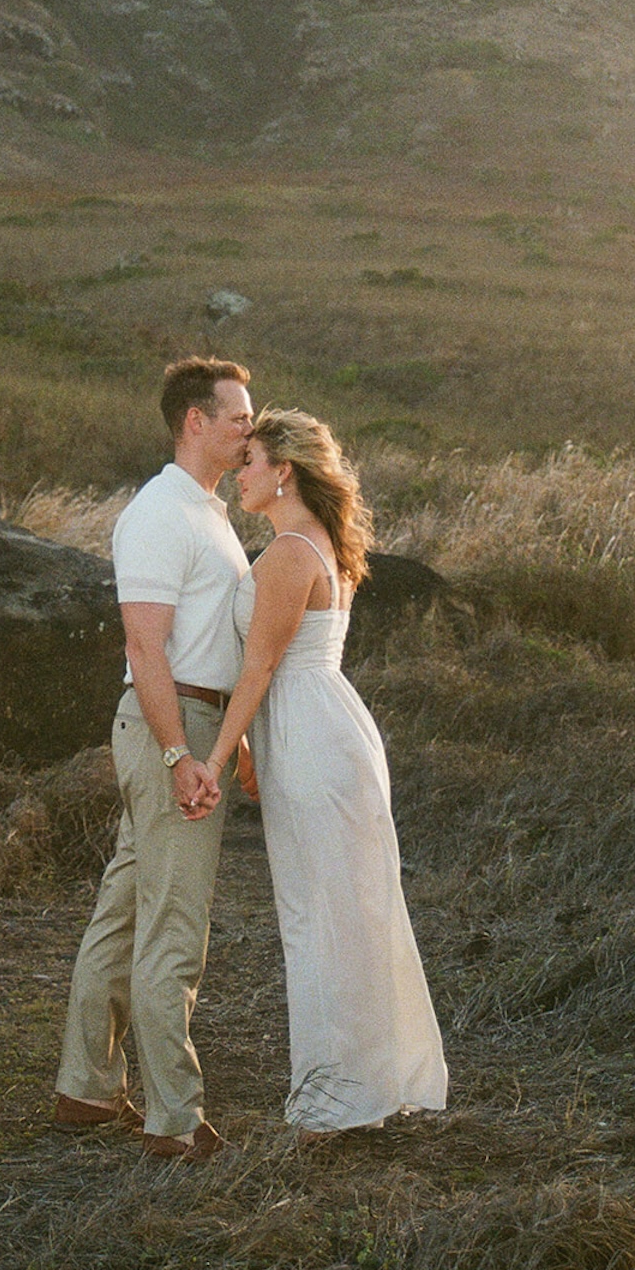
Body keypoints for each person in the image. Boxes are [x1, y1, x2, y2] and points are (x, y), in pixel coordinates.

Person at [195, 407, 447, 1138]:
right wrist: (246, 751)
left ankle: (336, 1098)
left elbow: (260, 667)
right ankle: (364, 1081)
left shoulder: (287, 556)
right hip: (328, 726)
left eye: (250, 461)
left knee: (320, 915)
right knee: (348, 908)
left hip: (310, 736)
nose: (239, 473)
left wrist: (216, 755)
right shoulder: (323, 545)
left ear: (284, 472)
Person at [54, 356, 254, 1161]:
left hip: (194, 725)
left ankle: (86, 1088)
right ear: (193, 422)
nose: (250, 427)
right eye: (237, 416)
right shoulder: (159, 512)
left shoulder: (206, 509)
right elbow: (144, 644)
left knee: (127, 910)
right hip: (170, 724)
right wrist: (181, 753)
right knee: (173, 925)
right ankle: (176, 1118)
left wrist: (221, 743)